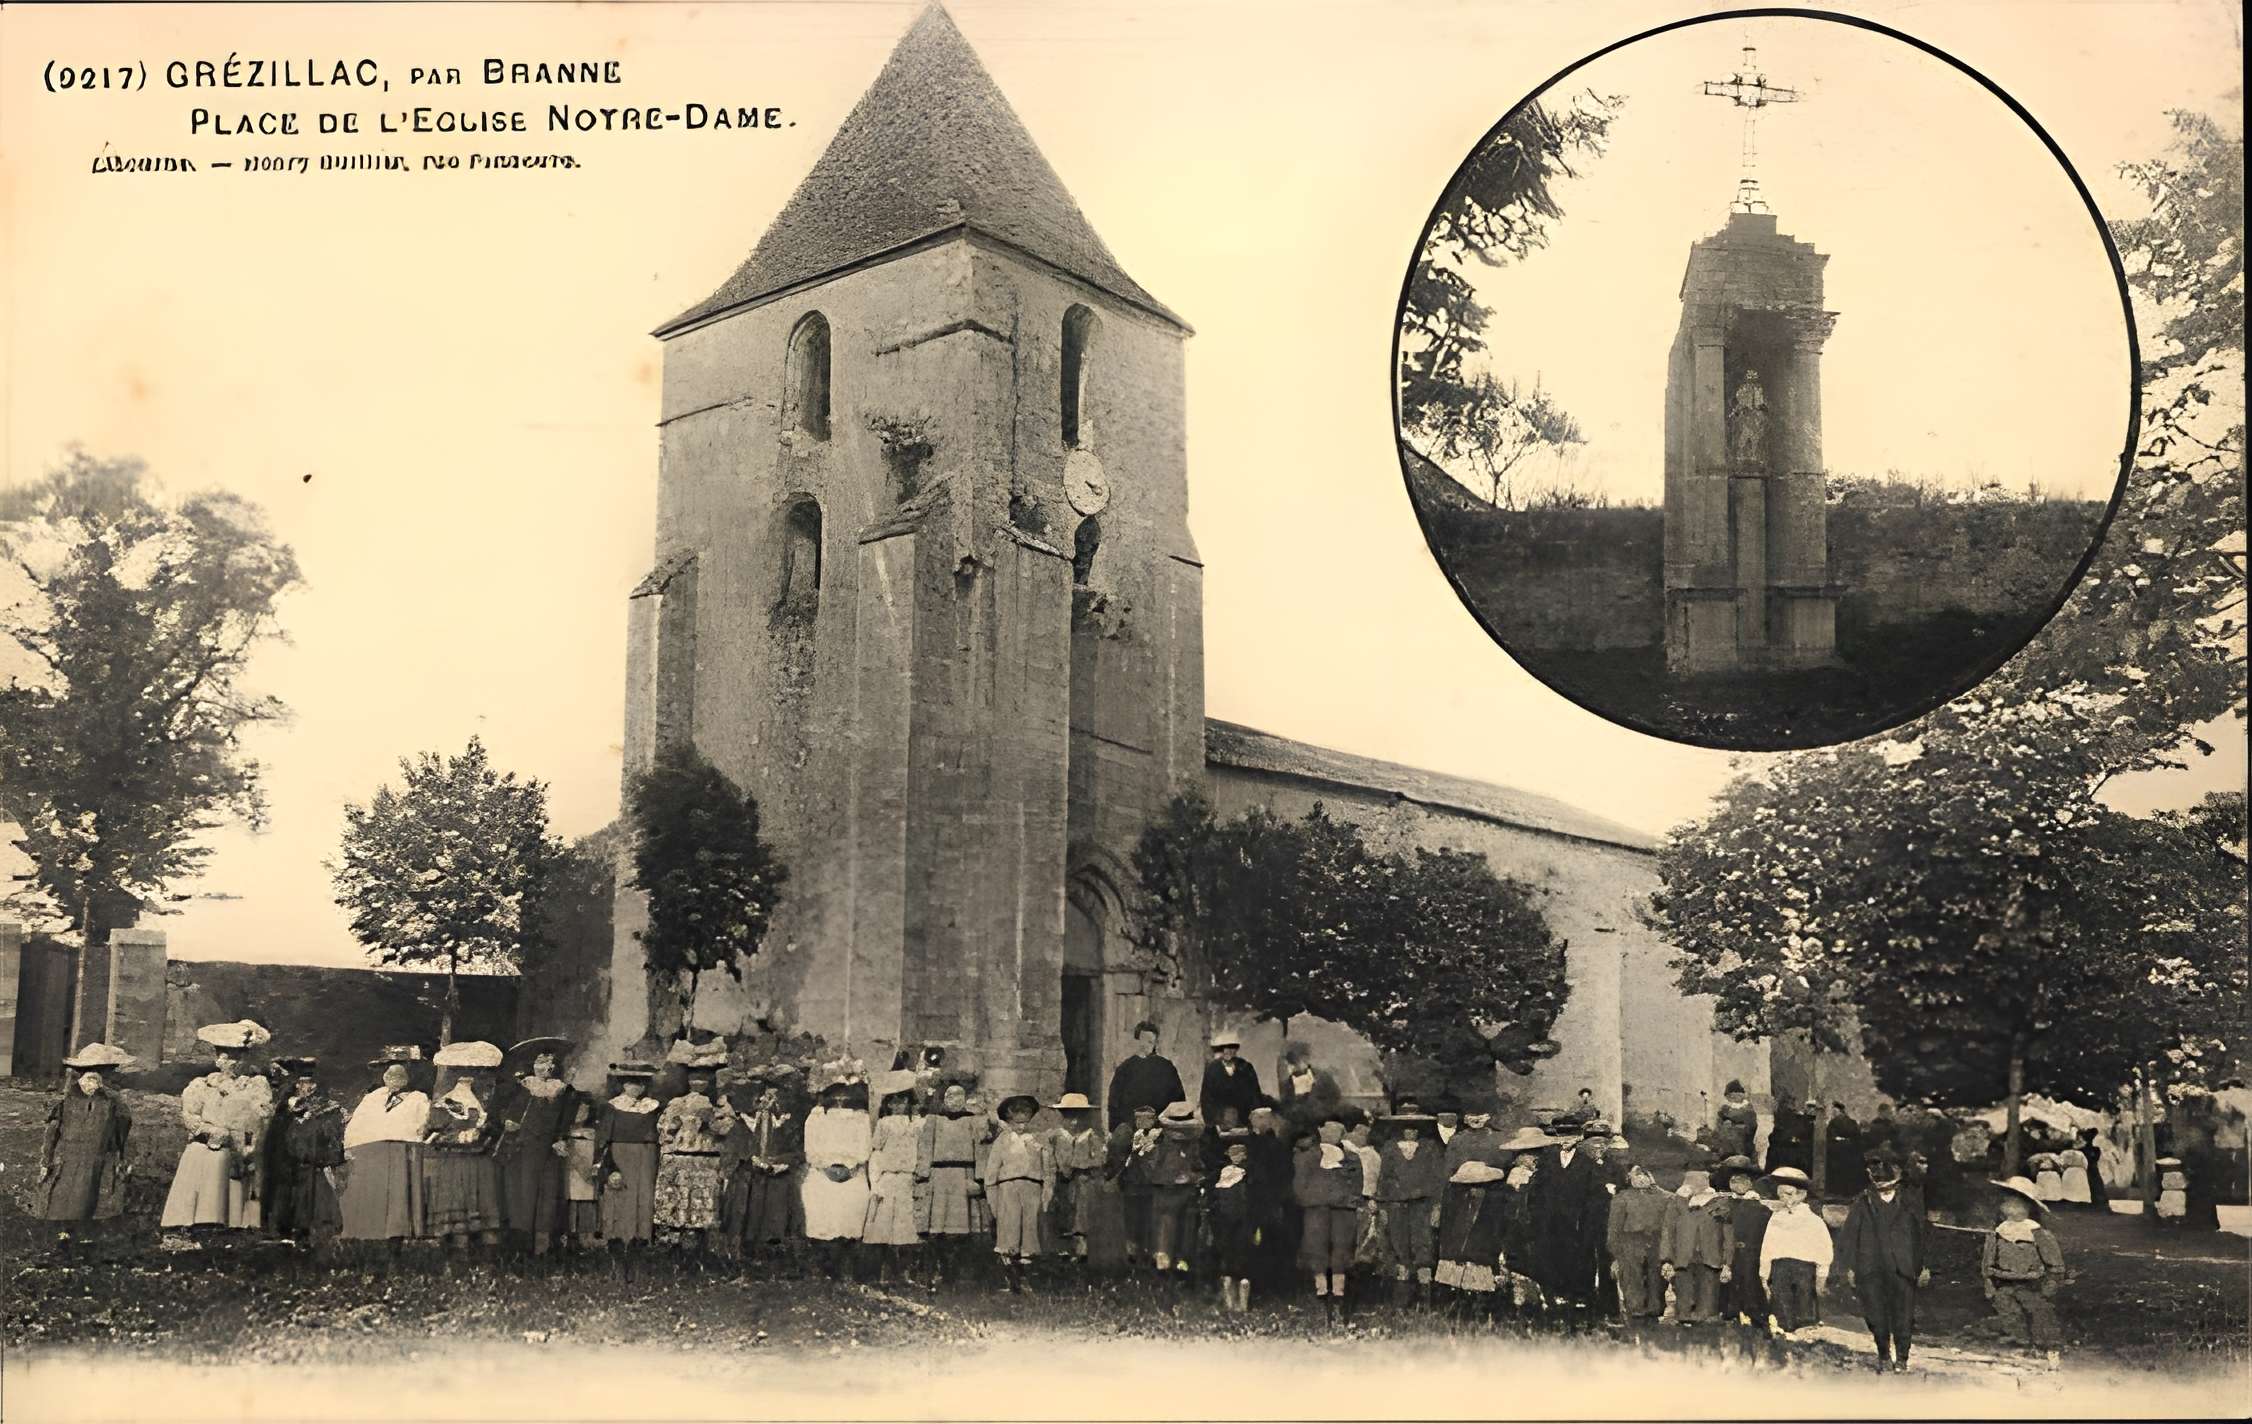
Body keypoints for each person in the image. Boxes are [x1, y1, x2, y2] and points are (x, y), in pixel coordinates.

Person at [161, 1020, 276, 1241]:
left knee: (235, 1182)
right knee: (204, 1164)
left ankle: (233, 1227)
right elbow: (190, 1115)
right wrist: (209, 1130)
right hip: (207, 1144)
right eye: (225, 1056)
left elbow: (260, 1119)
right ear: (217, 1059)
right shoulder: (203, 1085)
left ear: (245, 1058)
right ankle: (193, 1225)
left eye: (236, 1056)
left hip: (240, 1148)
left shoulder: (255, 1086)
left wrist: (249, 1145)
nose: (230, 1062)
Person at [37, 1043, 134, 1250]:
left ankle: (88, 1235)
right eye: (91, 1075)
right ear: (81, 1074)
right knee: (65, 1194)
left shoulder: (113, 1102)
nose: (96, 1080)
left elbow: (122, 1130)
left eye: (102, 1074)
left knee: (94, 1193)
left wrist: (119, 1156)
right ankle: (63, 1234)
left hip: (98, 1157)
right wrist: (47, 1158)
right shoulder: (66, 1100)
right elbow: (52, 1131)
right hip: (69, 1157)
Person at [1838, 1151, 1929, 1372]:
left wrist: (1924, 1266)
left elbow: (1923, 1235)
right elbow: (1849, 1236)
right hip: (1870, 1268)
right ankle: (1884, 1355)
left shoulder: (1910, 1200)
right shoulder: (1862, 1202)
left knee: (1904, 1315)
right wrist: (1848, 1267)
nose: (1878, 1177)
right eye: (1873, 1171)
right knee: (1876, 1315)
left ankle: (1903, 1359)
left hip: (1903, 1268)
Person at [497, 1037, 580, 1262]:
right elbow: (507, 1111)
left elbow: (565, 1118)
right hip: (523, 1148)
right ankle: (520, 1246)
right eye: (540, 1063)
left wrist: (560, 1138)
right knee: (523, 1193)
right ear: (532, 1065)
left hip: (550, 1149)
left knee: (548, 1193)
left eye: (550, 1063)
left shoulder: (563, 1091)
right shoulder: (523, 1087)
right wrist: (509, 1121)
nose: (545, 1068)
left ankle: (544, 1247)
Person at [340, 1046, 431, 1252]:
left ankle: (394, 1245)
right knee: (373, 1197)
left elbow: (420, 1126)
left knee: (397, 1203)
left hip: (400, 1154)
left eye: (400, 1071)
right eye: (389, 1070)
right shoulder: (373, 1098)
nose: (394, 1076)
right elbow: (357, 1125)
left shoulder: (418, 1099)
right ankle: (369, 1244)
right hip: (372, 1155)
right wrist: (352, 1148)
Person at [424, 1044, 507, 1259]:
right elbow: (433, 1133)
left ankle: (487, 1257)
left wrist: (485, 1131)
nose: (469, 1077)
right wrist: (459, 1136)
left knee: (482, 1201)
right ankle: (461, 1254)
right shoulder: (446, 1102)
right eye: (462, 1073)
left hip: (482, 1158)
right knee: (460, 1202)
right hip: (455, 1158)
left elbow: (497, 1126)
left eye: (475, 1072)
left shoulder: (489, 1099)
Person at [721, 1066, 805, 1271]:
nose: (768, 1102)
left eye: (774, 1098)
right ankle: (744, 1253)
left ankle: (774, 1253)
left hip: (778, 1174)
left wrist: (783, 1163)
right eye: (764, 1097)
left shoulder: (787, 1123)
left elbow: (798, 1149)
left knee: (777, 1206)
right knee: (747, 1203)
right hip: (749, 1174)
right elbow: (734, 1148)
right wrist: (751, 1159)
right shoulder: (745, 1123)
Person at [1532, 1120, 1613, 1328]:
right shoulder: (1547, 1160)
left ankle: (1580, 1300)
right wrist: (1540, 1214)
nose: (1565, 1141)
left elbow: (1598, 1196)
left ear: (1578, 1138)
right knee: (1552, 1256)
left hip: (1579, 1223)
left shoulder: (1588, 1163)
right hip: (1551, 1221)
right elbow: (1536, 1190)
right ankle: (1555, 1300)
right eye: (1561, 1136)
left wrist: (1587, 1217)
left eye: (1570, 1137)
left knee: (1580, 1258)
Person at [1981, 1174, 2067, 1362]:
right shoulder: (1998, 1232)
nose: (2011, 1207)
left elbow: (2054, 1262)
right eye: (2008, 1202)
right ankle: (2019, 1343)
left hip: (2033, 1283)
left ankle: (2044, 1346)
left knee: (2039, 1313)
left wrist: (2051, 1282)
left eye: (2018, 1203)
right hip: (2004, 1282)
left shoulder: (2037, 1233)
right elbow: (1988, 1259)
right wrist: (1988, 1281)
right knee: (2008, 1311)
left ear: (2029, 1207)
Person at [265, 1057, 345, 1249]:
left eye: (308, 1082)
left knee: (313, 1196)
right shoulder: (286, 1108)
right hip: (288, 1164)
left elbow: (333, 1137)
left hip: (313, 1163)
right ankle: (284, 1231)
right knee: (286, 1194)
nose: (304, 1087)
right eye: (300, 1083)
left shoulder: (327, 1108)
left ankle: (312, 1233)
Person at [802, 1065, 872, 1280]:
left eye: (844, 1094)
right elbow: (811, 1148)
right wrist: (826, 1167)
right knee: (820, 1206)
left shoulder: (860, 1118)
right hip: (823, 1172)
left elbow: (864, 1148)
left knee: (853, 1206)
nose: (840, 1099)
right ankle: (823, 1264)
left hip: (852, 1172)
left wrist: (851, 1167)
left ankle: (847, 1264)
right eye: (835, 1094)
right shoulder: (816, 1118)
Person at [919, 1077, 991, 1286]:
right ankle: (938, 1271)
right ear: (944, 1099)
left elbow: (981, 1147)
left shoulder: (972, 1121)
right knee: (938, 1228)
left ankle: (960, 1272)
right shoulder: (934, 1121)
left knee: (963, 1228)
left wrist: (979, 1178)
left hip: (963, 1174)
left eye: (960, 1095)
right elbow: (925, 1146)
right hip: (940, 1176)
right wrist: (924, 1173)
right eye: (950, 1095)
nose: (955, 1099)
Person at [655, 1065, 732, 1259]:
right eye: (694, 1078)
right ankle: (676, 1248)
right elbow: (664, 1130)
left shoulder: (721, 1106)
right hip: (682, 1158)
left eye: (704, 1078)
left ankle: (701, 1249)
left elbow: (727, 1131)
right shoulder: (677, 1102)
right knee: (680, 1201)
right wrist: (672, 1133)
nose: (699, 1082)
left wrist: (711, 1122)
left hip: (707, 1160)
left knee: (702, 1203)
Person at [1295, 1108, 1362, 1325]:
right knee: (1317, 1250)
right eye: (1328, 1130)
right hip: (1316, 1210)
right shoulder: (1307, 1157)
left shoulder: (1351, 1158)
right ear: (1320, 1132)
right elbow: (1299, 1185)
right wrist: (1312, 1200)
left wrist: (1349, 1200)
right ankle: (1321, 1295)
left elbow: (1357, 1185)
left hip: (1343, 1211)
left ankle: (1339, 1298)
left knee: (1341, 1251)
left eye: (1337, 1130)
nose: (1332, 1134)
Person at [1374, 1109, 1446, 1307]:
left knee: (1423, 1248)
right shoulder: (1389, 1149)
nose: (1410, 1131)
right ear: (1399, 1128)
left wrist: (1437, 1207)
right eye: (1406, 1126)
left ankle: (1426, 1300)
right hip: (1396, 1206)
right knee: (1399, 1248)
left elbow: (1438, 1180)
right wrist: (1383, 1206)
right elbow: (1384, 1179)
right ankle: (1402, 1300)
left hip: (1422, 1206)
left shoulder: (1430, 1148)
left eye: (1414, 1126)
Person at [982, 1093, 1053, 1294]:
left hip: (1032, 1189)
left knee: (1029, 1232)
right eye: (1017, 1122)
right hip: (1008, 1189)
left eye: (1025, 1121)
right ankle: (1011, 1279)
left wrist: (1047, 1191)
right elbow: (992, 1171)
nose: (1021, 1126)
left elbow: (1048, 1169)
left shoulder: (1039, 1140)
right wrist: (993, 1198)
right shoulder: (1003, 1141)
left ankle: (1026, 1278)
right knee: (1009, 1230)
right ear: (1009, 1119)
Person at [594, 1062, 661, 1270]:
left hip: (647, 1155)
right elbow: (603, 1137)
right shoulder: (612, 1106)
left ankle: (639, 1243)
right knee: (621, 1195)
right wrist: (606, 1165)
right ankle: (617, 1241)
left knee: (644, 1196)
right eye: (631, 1083)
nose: (636, 1087)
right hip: (620, 1154)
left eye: (640, 1083)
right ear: (623, 1084)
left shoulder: (653, 1106)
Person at [862, 1069, 925, 1283]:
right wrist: (876, 1182)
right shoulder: (884, 1124)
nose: (898, 1105)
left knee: (907, 1228)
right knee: (883, 1226)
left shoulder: (917, 1124)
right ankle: (882, 1273)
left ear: (909, 1102)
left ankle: (905, 1272)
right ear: (887, 1104)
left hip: (908, 1178)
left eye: (903, 1101)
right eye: (894, 1102)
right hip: (888, 1178)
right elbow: (876, 1153)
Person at [1758, 1165, 1832, 1336]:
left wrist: (1822, 1275)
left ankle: (1804, 1335)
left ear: (1802, 1195)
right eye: (1782, 1194)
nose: (1785, 1198)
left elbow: (1823, 1249)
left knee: (1804, 1304)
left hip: (1805, 1269)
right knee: (1782, 1305)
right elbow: (1768, 1245)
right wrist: (1764, 1273)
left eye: (1789, 1194)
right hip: (1780, 1267)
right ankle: (1785, 1334)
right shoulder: (1777, 1218)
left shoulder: (1813, 1221)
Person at [1661, 1160, 1733, 1327]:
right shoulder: (1677, 1203)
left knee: (1708, 1294)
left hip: (1710, 1254)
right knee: (1684, 1292)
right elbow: (1668, 1231)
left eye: (1700, 1180)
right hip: (1684, 1254)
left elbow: (1728, 1234)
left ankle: (1705, 1319)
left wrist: (1727, 1261)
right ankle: (1684, 1318)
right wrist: (1667, 1258)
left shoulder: (1720, 1203)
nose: (1694, 1185)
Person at [1606, 1162, 1672, 1324]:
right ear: (1629, 1178)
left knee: (1656, 1277)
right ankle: (1635, 1310)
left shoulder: (1664, 1197)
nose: (1642, 1179)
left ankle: (1654, 1310)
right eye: (1637, 1175)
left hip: (1656, 1240)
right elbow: (1614, 1227)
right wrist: (1615, 1252)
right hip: (1630, 1241)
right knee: (1631, 1276)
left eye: (1645, 1175)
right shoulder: (1622, 1199)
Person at [1146, 1099, 1204, 1282]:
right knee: (1165, 1224)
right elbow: (1150, 1164)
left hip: (1185, 1189)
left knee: (1185, 1226)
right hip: (1166, 1190)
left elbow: (1197, 1164)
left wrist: (1196, 1176)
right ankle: (1164, 1264)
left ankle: (1181, 1263)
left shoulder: (1192, 1144)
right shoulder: (1160, 1143)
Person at [1046, 1092, 1105, 1268]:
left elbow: (1100, 1160)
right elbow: (1050, 1157)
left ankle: (1082, 1250)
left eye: (1078, 1116)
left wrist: (1082, 1165)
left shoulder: (1091, 1136)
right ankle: (1062, 1249)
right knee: (1063, 1212)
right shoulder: (1056, 1136)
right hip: (1062, 1181)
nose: (1074, 1122)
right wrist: (1057, 1170)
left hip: (1083, 1180)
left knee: (1082, 1214)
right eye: (1069, 1116)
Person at [1715, 1155, 1771, 1332]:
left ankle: (1756, 1318)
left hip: (1751, 1254)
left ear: (1750, 1183)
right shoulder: (1723, 1205)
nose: (1737, 1184)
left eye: (1742, 1180)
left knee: (1750, 1285)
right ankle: (1729, 1316)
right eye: (1733, 1180)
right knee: (1727, 1287)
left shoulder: (1761, 1208)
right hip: (1729, 1254)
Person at [1107, 1101, 1163, 1274]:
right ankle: (1132, 1252)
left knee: (1148, 1218)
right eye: (1139, 1120)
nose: (1142, 1123)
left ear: (1153, 1121)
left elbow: (1156, 1161)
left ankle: (1148, 1252)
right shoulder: (1131, 1136)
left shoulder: (1158, 1137)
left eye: (1146, 1120)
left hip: (1149, 1184)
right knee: (1132, 1217)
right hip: (1133, 1183)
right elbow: (1122, 1158)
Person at [1207, 1135, 1260, 1313]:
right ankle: (1230, 1302)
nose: (1237, 1155)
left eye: (1240, 1152)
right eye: (1233, 1152)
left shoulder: (1251, 1175)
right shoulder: (1219, 1174)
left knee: (1243, 1259)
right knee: (1227, 1259)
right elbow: (1213, 1200)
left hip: (1244, 1223)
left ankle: (1243, 1305)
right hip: (1224, 1222)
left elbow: (1255, 1201)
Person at [1106, 1020, 1186, 1128]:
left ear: (1155, 1043)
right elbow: (1114, 1103)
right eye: (1143, 1041)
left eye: (1150, 1042)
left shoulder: (1167, 1068)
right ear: (1137, 1041)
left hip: (1160, 1129)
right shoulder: (1124, 1069)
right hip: (1131, 1130)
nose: (1145, 1045)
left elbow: (1178, 1101)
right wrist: (1116, 1129)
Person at [561, 1096, 604, 1254]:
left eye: (585, 1109)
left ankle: (587, 1239)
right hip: (571, 1172)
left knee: (587, 1203)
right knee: (571, 1203)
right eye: (578, 1109)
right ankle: (570, 1238)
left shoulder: (594, 1131)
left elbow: (600, 1151)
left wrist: (595, 1167)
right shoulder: (564, 1131)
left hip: (588, 1173)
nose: (581, 1113)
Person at [1274, 1041, 1342, 1138]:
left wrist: (1321, 1111)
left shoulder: (1322, 1078)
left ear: (1305, 1059)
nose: (1293, 1067)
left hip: (1323, 1125)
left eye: (1296, 1062)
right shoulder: (1288, 1085)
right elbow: (1286, 1108)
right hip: (1298, 1129)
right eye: (1291, 1063)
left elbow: (1335, 1097)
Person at [1198, 1029, 1263, 1129]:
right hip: (1219, 1123)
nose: (1227, 1051)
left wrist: (1254, 1119)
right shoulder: (1212, 1069)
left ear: (1236, 1049)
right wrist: (1215, 1121)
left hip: (1244, 1122)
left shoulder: (1246, 1067)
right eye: (1223, 1048)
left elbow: (1255, 1095)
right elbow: (1206, 1100)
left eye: (1232, 1047)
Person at [1713, 1081, 1760, 1162]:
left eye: (1734, 1094)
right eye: (1729, 1096)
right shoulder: (1724, 1108)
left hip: (1743, 1145)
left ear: (1741, 1094)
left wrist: (1735, 1127)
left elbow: (1752, 1126)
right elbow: (1718, 1126)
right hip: (1726, 1147)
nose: (1732, 1097)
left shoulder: (1748, 1109)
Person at [1825, 1104, 1864, 1197]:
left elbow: (1830, 1137)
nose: (1833, 1113)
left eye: (1835, 1111)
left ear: (1840, 1111)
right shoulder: (1852, 1122)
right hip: (1848, 1151)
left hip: (1840, 1152)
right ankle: (1847, 1191)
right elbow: (1858, 1137)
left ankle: (1840, 1191)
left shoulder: (1834, 1122)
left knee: (1841, 1171)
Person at [2077, 1127, 2110, 1212]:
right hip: (2092, 1170)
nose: (2078, 1141)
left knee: (2093, 1186)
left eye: (2080, 1139)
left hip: (2089, 1171)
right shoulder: (2095, 1150)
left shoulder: (2083, 1150)